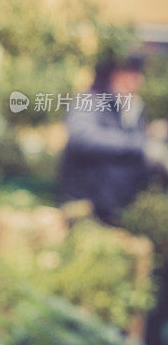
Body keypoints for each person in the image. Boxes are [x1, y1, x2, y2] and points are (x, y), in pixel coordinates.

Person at [59, 54, 148, 225]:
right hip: (86, 202)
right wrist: (139, 143)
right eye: (131, 73)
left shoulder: (133, 106)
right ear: (113, 74)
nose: (138, 80)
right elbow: (82, 137)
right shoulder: (90, 100)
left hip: (116, 204)